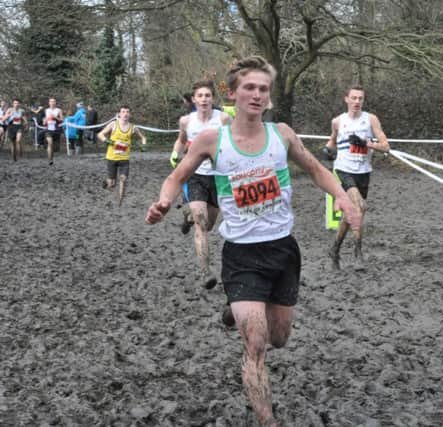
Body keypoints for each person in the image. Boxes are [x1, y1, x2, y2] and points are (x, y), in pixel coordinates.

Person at [145, 56, 360, 427]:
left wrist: (341, 196)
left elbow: (316, 168)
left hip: (283, 250)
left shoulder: (282, 135)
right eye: (249, 88)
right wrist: (165, 200)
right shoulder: (213, 140)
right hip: (242, 254)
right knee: (257, 344)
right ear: (233, 94)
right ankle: (267, 420)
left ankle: (234, 310)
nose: (257, 95)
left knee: (279, 337)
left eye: (263, 89)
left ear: (269, 97)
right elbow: (176, 176)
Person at [169, 80, 232, 289]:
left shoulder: (223, 119)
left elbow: (235, 142)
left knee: (209, 224)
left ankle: (187, 218)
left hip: (219, 176)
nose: (204, 99)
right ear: (194, 99)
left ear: (212, 99)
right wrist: (175, 153)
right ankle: (206, 272)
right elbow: (181, 139)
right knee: (201, 224)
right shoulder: (186, 121)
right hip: (195, 174)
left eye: (208, 95)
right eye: (200, 96)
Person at [323, 84, 390, 271]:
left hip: (364, 171)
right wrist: (328, 150)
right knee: (360, 206)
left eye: (360, 98)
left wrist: (367, 143)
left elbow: (385, 146)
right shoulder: (337, 121)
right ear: (346, 99)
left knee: (351, 214)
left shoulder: (371, 120)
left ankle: (334, 249)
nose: (357, 102)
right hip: (344, 170)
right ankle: (358, 252)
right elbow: (333, 140)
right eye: (354, 98)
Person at [97, 105, 147, 206]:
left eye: (127, 112)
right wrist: (107, 141)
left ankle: (120, 203)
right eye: (123, 112)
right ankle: (107, 182)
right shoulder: (113, 124)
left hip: (124, 159)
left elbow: (143, 138)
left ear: (130, 114)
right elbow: (100, 134)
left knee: (123, 179)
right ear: (119, 114)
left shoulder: (133, 128)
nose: (125, 114)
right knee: (112, 184)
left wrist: (143, 145)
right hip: (112, 158)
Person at [43, 97, 64, 165]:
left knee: (55, 147)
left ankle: (51, 158)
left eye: (54, 101)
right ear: (49, 103)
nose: (52, 103)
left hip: (56, 129)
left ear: (55, 103)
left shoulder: (59, 110)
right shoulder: (46, 110)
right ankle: (49, 159)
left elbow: (62, 120)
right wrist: (45, 121)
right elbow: (44, 120)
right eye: (51, 101)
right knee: (50, 143)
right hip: (48, 129)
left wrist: (55, 118)